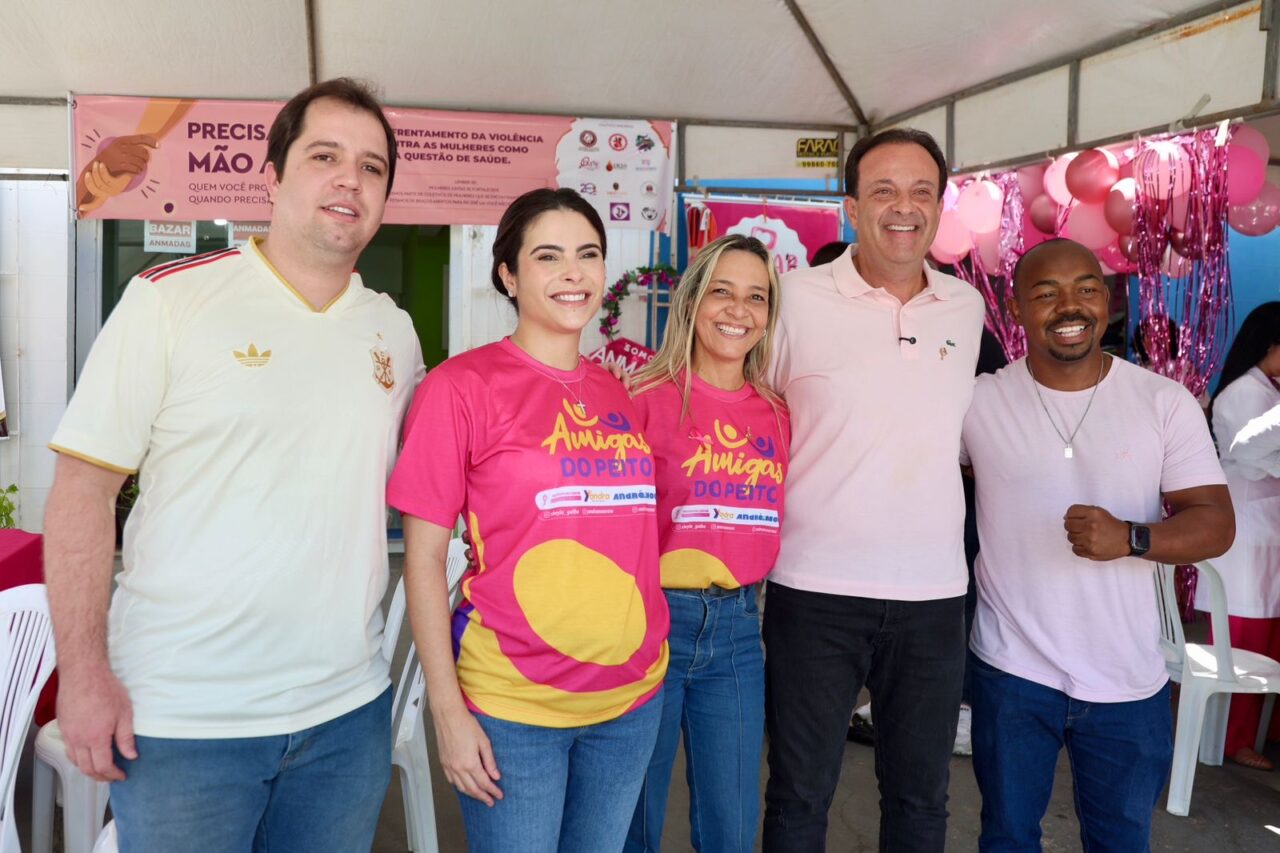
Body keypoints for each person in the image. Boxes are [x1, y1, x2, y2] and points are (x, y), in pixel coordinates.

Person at [44, 78, 424, 851]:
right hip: (184, 720)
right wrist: (82, 675)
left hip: (344, 716)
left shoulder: (395, 332)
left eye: (372, 167)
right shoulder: (169, 301)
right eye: (325, 156)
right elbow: (83, 489)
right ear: (272, 177)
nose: (350, 180)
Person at [387, 188, 669, 853]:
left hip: (632, 700)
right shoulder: (460, 388)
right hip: (515, 707)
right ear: (509, 275)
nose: (574, 272)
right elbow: (422, 560)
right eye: (548, 256)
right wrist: (448, 713)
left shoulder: (617, 390)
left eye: (588, 254)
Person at [962, 238, 1235, 851]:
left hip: (1127, 677)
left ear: (1106, 299)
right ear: (1016, 308)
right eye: (1046, 293)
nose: (1070, 306)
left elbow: (1216, 523)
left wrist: (1132, 538)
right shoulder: (978, 402)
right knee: (1006, 837)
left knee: (1120, 842)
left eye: (1085, 289)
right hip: (1012, 670)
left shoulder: (1162, 402)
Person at [763, 127, 985, 852]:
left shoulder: (966, 307)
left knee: (922, 799)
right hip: (812, 589)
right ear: (852, 207)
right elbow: (750, 416)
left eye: (922, 191)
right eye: (884, 190)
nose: (904, 207)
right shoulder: (793, 299)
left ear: (940, 207)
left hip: (934, 596)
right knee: (799, 795)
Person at [624, 234, 789, 853]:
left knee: (733, 825)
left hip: (739, 628)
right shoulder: (641, 399)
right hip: (652, 620)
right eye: (722, 291)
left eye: (756, 297)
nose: (738, 310)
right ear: (692, 300)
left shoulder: (777, 413)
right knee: (634, 817)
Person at [1193, 301, 1280, 770]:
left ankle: (1260, 731)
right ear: (1271, 345)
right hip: (1246, 534)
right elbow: (1251, 457)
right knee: (1243, 644)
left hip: (1265, 532)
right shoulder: (1245, 393)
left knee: (1266, 639)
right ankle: (1232, 739)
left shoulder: (1267, 390)